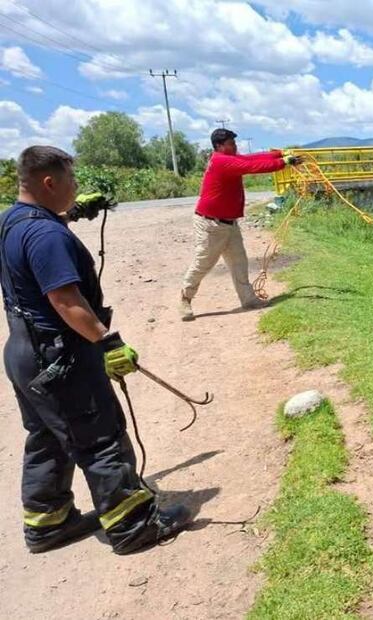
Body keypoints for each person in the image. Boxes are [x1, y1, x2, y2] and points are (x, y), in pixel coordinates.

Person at [2, 145, 190, 554]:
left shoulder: (13, 220)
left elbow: (37, 241)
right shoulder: (47, 234)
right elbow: (66, 301)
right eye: (71, 180)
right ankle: (132, 524)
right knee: (99, 435)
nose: (76, 186)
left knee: (48, 436)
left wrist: (73, 214)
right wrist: (107, 342)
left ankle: (47, 523)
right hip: (59, 356)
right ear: (50, 182)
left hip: (23, 351)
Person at [179, 129, 300, 320]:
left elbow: (251, 158)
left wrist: (280, 153)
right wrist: (283, 163)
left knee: (239, 262)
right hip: (211, 224)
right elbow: (253, 167)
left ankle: (248, 300)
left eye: (234, 144)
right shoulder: (220, 161)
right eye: (231, 144)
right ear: (219, 146)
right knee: (204, 263)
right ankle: (185, 299)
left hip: (228, 223)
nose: (235, 147)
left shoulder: (230, 158)